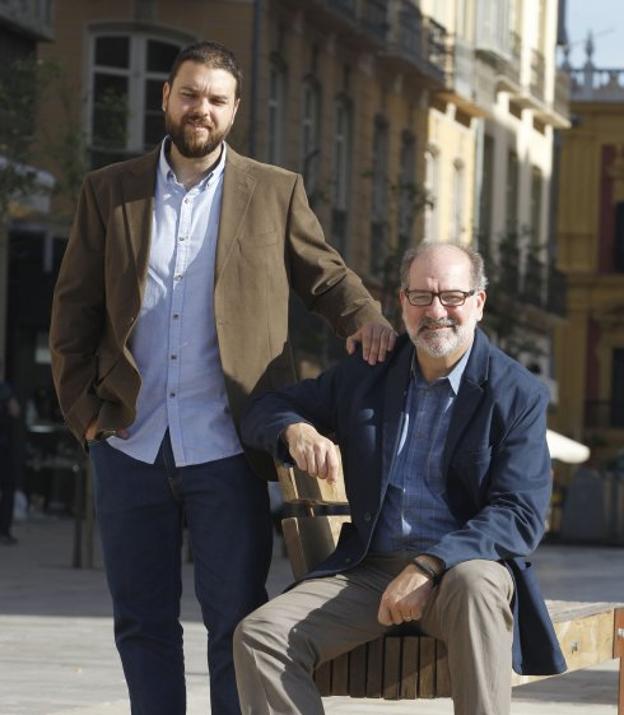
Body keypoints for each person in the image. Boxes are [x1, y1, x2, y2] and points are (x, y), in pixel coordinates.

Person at [49, 41, 395, 715]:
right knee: (141, 622)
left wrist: (370, 320)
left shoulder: (274, 191)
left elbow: (326, 275)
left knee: (237, 620)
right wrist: (84, 414)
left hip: (229, 446)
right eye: (188, 94)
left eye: (215, 98)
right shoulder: (109, 191)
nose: (199, 108)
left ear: (235, 110)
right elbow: (74, 311)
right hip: (128, 441)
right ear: (165, 98)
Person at [234, 242, 566, 715]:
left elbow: (520, 514)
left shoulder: (515, 393)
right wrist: (295, 429)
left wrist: (430, 564)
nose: (437, 312)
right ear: (400, 302)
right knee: (259, 636)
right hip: (370, 570)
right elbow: (262, 409)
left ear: (478, 303)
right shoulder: (369, 374)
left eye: (452, 296)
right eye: (421, 297)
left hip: (461, 569)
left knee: (478, 587)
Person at [0, 378, 20, 545]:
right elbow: (15, 410)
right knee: (8, 488)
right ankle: (4, 531)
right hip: (3, 448)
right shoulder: (4, 389)